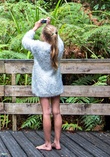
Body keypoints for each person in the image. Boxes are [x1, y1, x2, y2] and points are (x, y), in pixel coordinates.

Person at [21, 17, 64, 151]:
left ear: (43, 36)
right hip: (55, 82)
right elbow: (56, 37)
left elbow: (24, 41)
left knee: (46, 113)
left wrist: (36, 27)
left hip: (43, 83)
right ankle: (57, 142)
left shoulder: (38, 46)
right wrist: (50, 27)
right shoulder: (59, 46)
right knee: (56, 112)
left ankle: (47, 143)